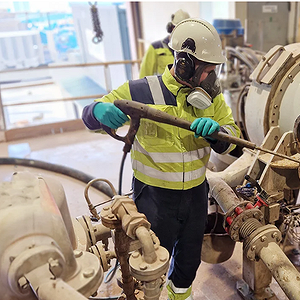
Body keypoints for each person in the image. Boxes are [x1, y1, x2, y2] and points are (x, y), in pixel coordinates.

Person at [82, 18, 240, 300]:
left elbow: (235, 140)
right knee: (150, 259)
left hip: (195, 195)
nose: (212, 78)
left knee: (189, 262)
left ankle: (180, 295)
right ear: (184, 64)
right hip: (153, 198)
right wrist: (98, 111)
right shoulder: (140, 91)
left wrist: (219, 135)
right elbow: (89, 115)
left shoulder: (211, 98)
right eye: (207, 71)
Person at [139, 9, 190, 78]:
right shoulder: (155, 48)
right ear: (171, 28)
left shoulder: (190, 50)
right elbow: (144, 75)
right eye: (178, 28)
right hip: (160, 88)